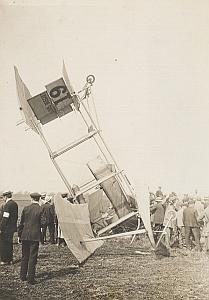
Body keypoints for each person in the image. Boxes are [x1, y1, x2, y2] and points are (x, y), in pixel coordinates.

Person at [18, 192, 46, 285]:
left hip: (25, 235)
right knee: (32, 257)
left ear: (31, 199)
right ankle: (31, 278)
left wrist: (19, 235)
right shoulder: (41, 209)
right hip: (35, 236)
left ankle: (22, 276)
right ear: (39, 199)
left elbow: (21, 223)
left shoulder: (26, 208)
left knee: (24, 256)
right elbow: (43, 223)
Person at [0, 191, 18, 265]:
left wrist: (1, 228)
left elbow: (5, 218)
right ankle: (10, 259)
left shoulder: (8, 205)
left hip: (6, 228)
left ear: (5, 197)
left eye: (3, 197)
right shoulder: (14, 204)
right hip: (12, 227)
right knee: (9, 244)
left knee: (4, 244)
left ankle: (5, 260)